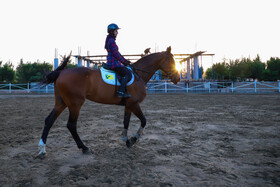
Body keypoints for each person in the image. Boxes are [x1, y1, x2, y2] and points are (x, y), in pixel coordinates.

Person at [105, 23, 131, 98]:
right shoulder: (111, 41)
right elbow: (116, 54)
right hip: (113, 63)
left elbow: (118, 53)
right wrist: (124, 62)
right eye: (116, 31)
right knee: (127, 74)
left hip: (112, 62)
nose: (117, 32)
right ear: (111, 31)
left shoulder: (109, 40)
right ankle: (121, 92)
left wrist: (125, 61)